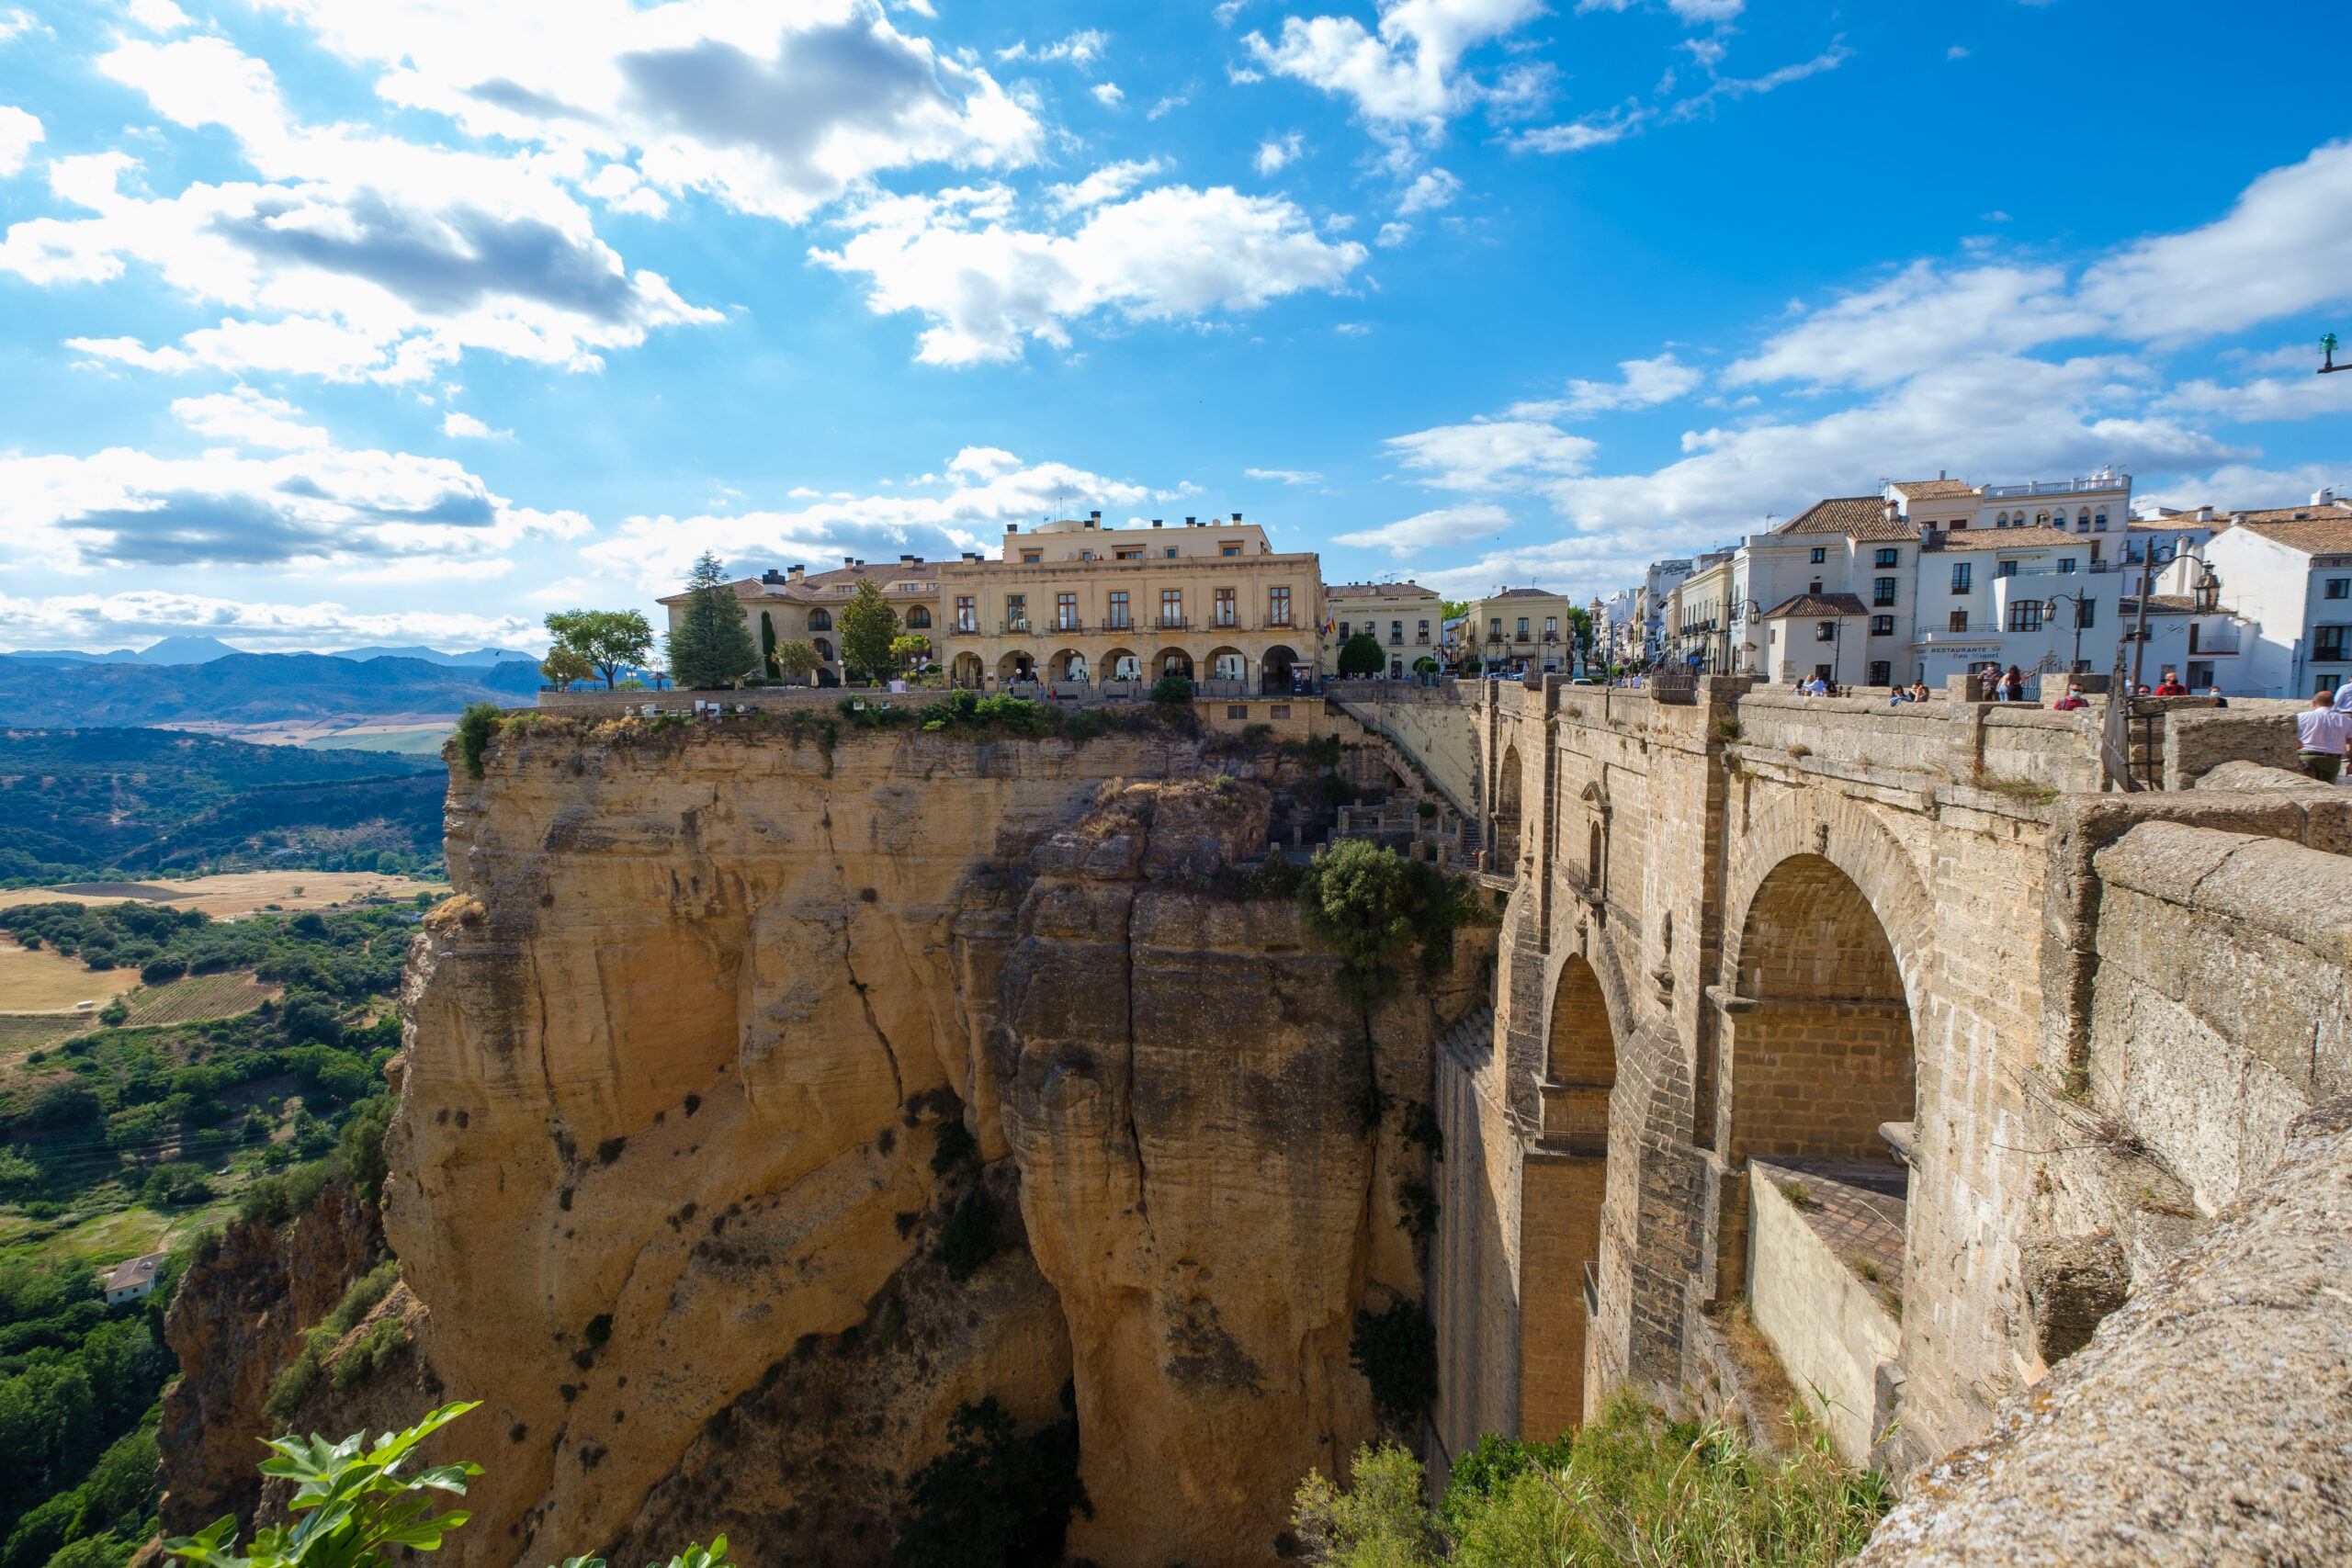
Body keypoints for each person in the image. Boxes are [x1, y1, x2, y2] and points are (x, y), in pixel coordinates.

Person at [2296, 692, 2349, 783]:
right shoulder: (2346, 720)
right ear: (2332, 704)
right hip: (2332, 760)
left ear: (2313, 702)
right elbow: (2350, 742)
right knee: (2326, 790)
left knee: (2303, 788)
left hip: (2306, 757)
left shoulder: (2301, 717)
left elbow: (2292, 737)